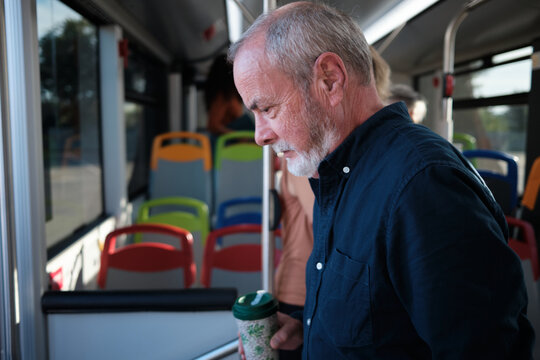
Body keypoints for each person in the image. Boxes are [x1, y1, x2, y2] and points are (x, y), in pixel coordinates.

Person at [229, 2, 534, 359]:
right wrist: (312, 329)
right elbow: (381, 317)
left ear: (330, 79)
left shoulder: (423, 186)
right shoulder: (342, 173)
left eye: (267, 109)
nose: (259, 136)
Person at [203, 54, 254, 136]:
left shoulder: (234, 93)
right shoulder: (223, 96)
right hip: (230, 144)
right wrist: (238, 136)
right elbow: (213, 126)